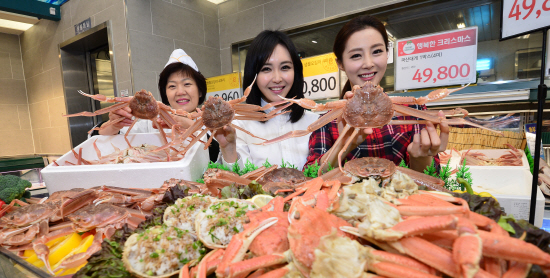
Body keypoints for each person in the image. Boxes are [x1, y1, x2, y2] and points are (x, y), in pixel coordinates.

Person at [304, 15, 449, 173]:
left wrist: (421, 157)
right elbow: (311, 175)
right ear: (340, 64)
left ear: (387, 54)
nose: (368, 63)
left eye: (377, 51)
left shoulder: (414, 110)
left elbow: (432, 178)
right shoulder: (327, 120)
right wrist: (342, 145)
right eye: (356, 55)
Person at [215, 30, 319, 170]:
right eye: (266, 69)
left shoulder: (317, 122)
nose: (277, 78)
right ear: (253, 75)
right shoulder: (239, 126)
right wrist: (228, 149)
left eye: (285, 67)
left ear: (296, 71)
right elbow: (238, 185)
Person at [96, 49, 220, 161]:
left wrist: (191, 127)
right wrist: (113, 125)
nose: (180, 92)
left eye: (187, 84)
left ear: (200, 91)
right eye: (172, 86)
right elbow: (99, 138)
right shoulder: (153, 124)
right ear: (165, 94)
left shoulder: (217, 122)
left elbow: (220, 158)